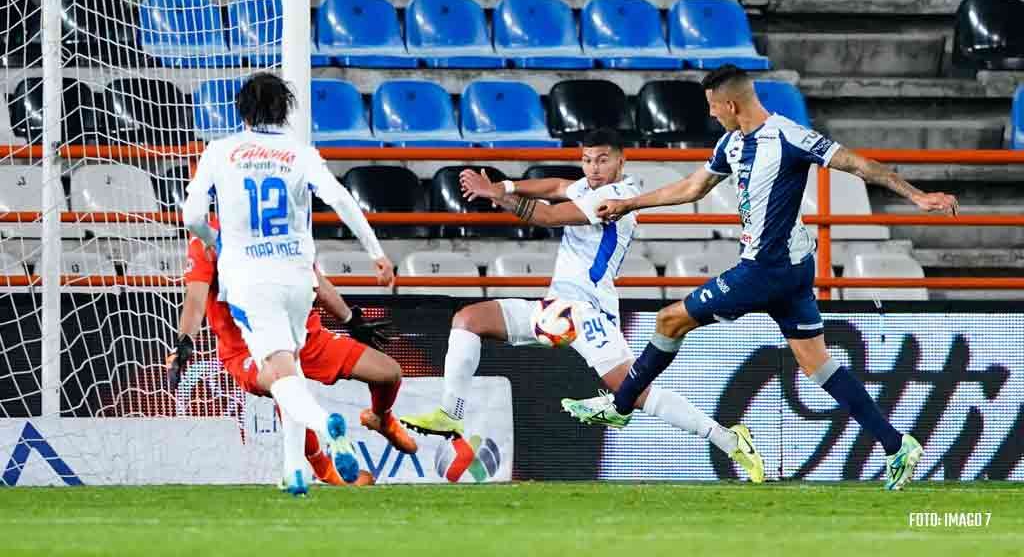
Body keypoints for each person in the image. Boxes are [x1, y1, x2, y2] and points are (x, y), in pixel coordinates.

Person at [561, 65, 959, 490]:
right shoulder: (732, 143)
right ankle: (897, 445)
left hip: (764, 270)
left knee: (668, 320)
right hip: (792, 269)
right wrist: (631, 203)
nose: (713, 115)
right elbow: (692, 187)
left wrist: (917, 195)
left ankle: (621, 405)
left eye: (715, 108)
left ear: (731, 104)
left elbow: (857, 164)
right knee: (817, 363)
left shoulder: (788, 135)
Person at [400, 128, 765, 483]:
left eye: (602, 160)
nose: (593, 168)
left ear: (621, 162)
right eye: (587, 160)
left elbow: (549, 215)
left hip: (589, 312)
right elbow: (556, 186)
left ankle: (729, 439)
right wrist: (506, 185)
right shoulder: (585, 186)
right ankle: (451, 412)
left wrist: (495, 195)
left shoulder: (616, 197)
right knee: (469, 319)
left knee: (633, 394)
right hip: (557, 306)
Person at [180, 72, 397, 495]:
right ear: (286, 111)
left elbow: (192, 217)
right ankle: (293, 470)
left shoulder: (220, 151)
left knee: (281, 373)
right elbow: (341, 199)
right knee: (290, 369)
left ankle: (327, 429)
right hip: (298, 279)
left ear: (241, 109)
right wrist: (377, 254)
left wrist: (215, 242)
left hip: (250, 280)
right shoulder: (301, 154)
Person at [165, 223, 418, 487]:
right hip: (247, 348)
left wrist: (351, 319)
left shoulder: (281, 226)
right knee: (282, 383)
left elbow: (316, 283)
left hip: (306, 338)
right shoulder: (208, 239)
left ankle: (382, 417)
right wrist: (184, 344)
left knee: (389, 373)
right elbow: (195, 300)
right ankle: (325, 469)